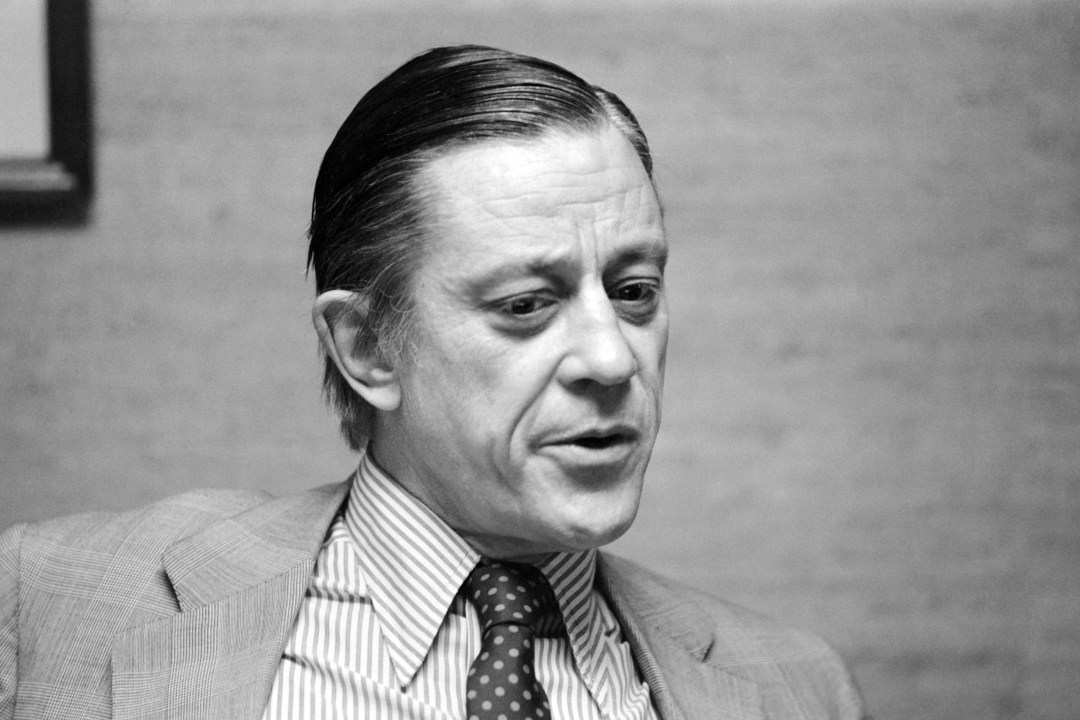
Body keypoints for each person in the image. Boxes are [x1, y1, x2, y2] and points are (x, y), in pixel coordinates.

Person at [0, 46, 867, 720]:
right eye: (526, 305)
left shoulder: (796, 686)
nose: (612, 361)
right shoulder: (49, 599)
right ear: (368, 348)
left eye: (634, 291)